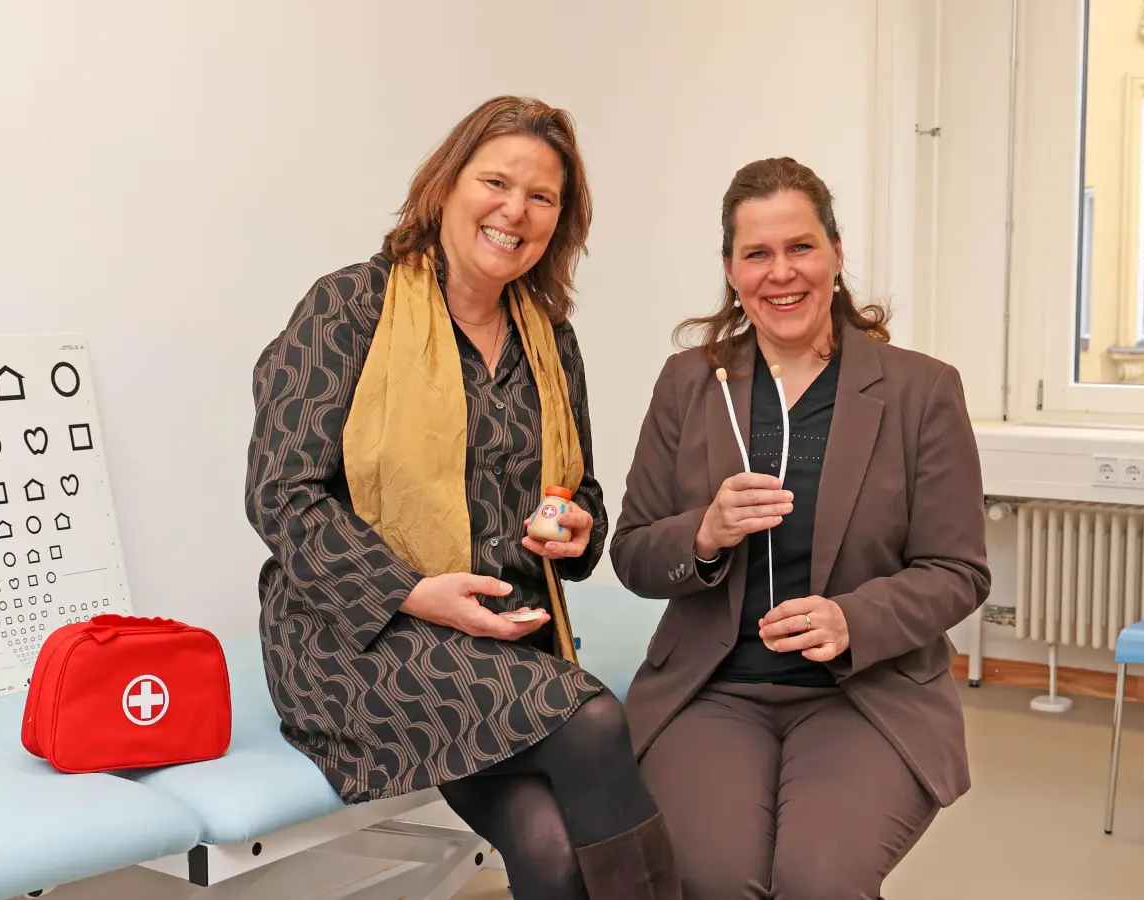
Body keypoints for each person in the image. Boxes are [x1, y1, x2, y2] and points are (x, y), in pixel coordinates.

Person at [245, 96, 678, 900]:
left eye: (542, 197)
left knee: (548, 847)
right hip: (359, 639)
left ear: (561, 220)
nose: (515, 210)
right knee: (591, 722)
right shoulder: (348, 309)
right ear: (446, 187)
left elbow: (576, 491)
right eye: (496, 182)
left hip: (501, 637)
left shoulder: (551, 336)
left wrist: (576, 530)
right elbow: (282, 496)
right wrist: (413, 592)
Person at [609, 156, 991, 900]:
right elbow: (631, 552)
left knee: (819, 883)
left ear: (837, 255)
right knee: (715, 880)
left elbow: (959, 570)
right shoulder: (690, 385)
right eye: (757, 254)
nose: (781, 273)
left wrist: (853, 617)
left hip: (867, 695)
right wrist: (705, 534)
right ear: (731, 269)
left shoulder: (921, 391)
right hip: (712, 691)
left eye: (801, 248)